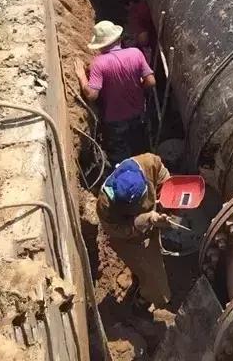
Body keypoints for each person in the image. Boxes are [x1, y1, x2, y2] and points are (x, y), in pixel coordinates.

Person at [75, 20, 156, 167]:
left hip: (115, 122)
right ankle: (146, 183)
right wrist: (138, 87)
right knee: (141, 155)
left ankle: (124, 185)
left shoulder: (99, 63)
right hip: (138, 115)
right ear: (118, 39)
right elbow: (150, 81)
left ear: (100, 45)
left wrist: (81, 76)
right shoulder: (136, 54)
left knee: (120, 162)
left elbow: (92, 95)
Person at [96, 153, 171, 307]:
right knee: (156, 283)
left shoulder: (148, 163)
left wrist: (166, 198)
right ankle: (143, 301)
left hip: (152, 220)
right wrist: (146, 219)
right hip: (129, 241)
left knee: (147, 270)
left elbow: (164, 176)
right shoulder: (105, 204)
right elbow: (118, 230)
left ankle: (140, 281)